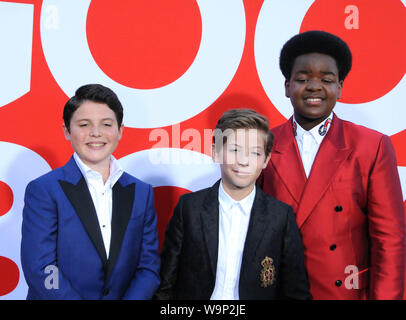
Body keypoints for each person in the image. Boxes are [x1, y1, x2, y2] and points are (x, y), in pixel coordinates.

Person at [259, 30, 405, 299]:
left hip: (344, 292)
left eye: (326, 80)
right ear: (287, 86)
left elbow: (390, 240)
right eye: (302, 79)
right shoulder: (261, 144)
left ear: (339, 87)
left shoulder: (371, 146)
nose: (314, 87)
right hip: (278, 291)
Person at [21, 84, 160, 299]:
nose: (96, 133)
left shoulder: (141, 193)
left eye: (106, 124)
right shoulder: (44, 190)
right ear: (67, 131)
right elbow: (42, 269)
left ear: (120, 130)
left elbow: (149, 268)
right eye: (84, 124)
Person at [155, 108, 310, 300]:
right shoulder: (190, 209)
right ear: (216, 152)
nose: (244, 161)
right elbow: (165, 282)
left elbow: (296, 291)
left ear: (266, 160)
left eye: (255, 153)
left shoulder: (280, 216)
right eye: (235, 150)